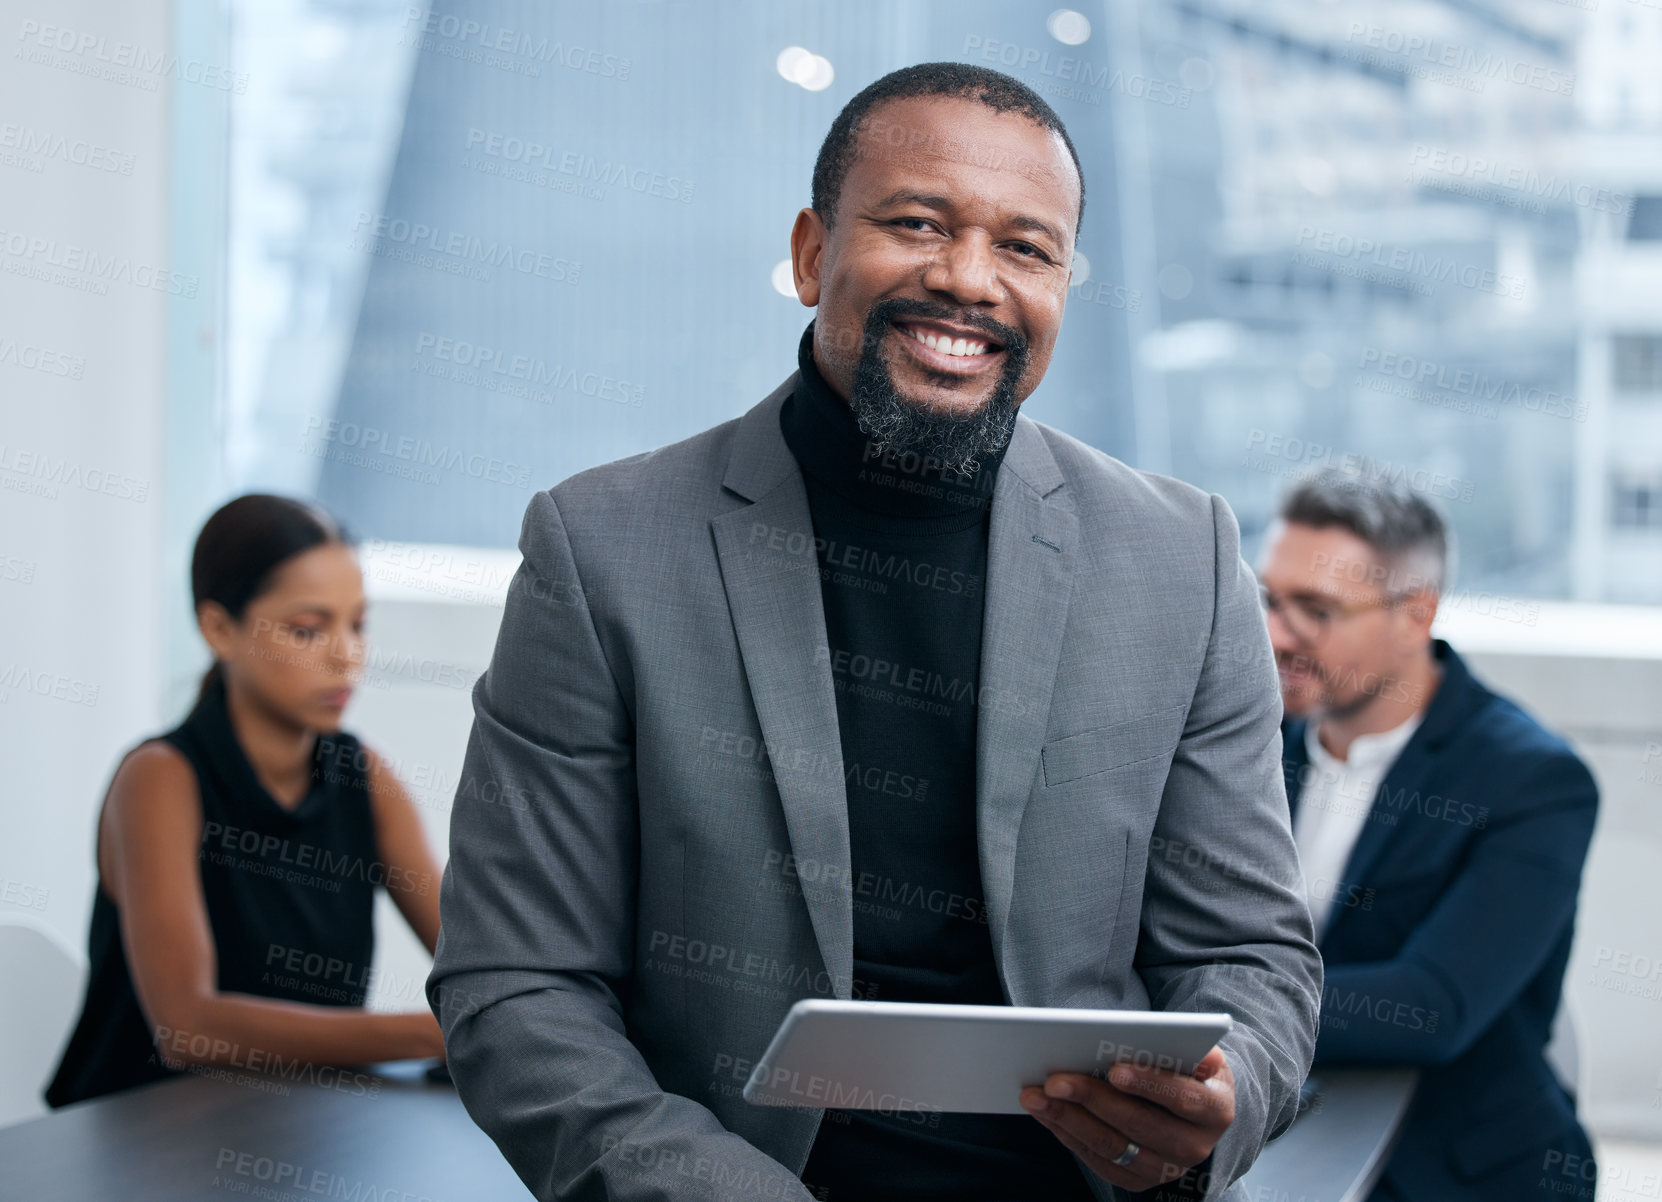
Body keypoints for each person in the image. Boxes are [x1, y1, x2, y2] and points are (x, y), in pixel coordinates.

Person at [428, 63, 1320, 1202]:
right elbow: (516, 982)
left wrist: (1223, 1090)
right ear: (812, 253)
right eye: (917, 224)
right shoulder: (601, 548)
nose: (968, 280)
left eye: (1026, 248)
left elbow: (1252, 956)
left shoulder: (1181, 559)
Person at [1257, 468, 1598, 1201]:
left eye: (1315, 610)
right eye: (1268, 600)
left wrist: (1205, 1008)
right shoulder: (1249, 739)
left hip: (1462, 1166)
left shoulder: (1533, 780)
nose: (1276, 635)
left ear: (1416, 614)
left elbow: (1428, 1006)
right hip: (1280, 1134)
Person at [45, 494, 446, 1107]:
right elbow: (187, 1028)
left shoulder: (364, 776)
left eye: (358, 623)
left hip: (300, 1131)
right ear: (218, 629)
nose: (346, 655)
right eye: (307, 630)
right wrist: (431, 1033)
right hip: (142, 1145)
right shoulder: (160, 779)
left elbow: (476, 962)